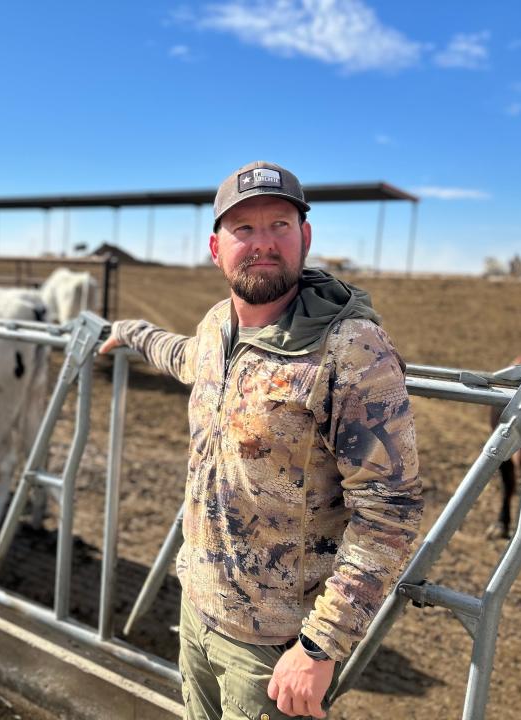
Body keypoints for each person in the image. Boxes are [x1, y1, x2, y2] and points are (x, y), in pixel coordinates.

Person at [99, 161, 423, 719]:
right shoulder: (216, 327)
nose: (263, 243)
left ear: (306, 237)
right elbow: (182, 357)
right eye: (243, 229)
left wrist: (320, 646)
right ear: (215, 246)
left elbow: (390, 513)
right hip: (199, 613)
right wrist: (128, 331)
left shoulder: (350, 350)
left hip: (275, 647)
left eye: (279, 225)